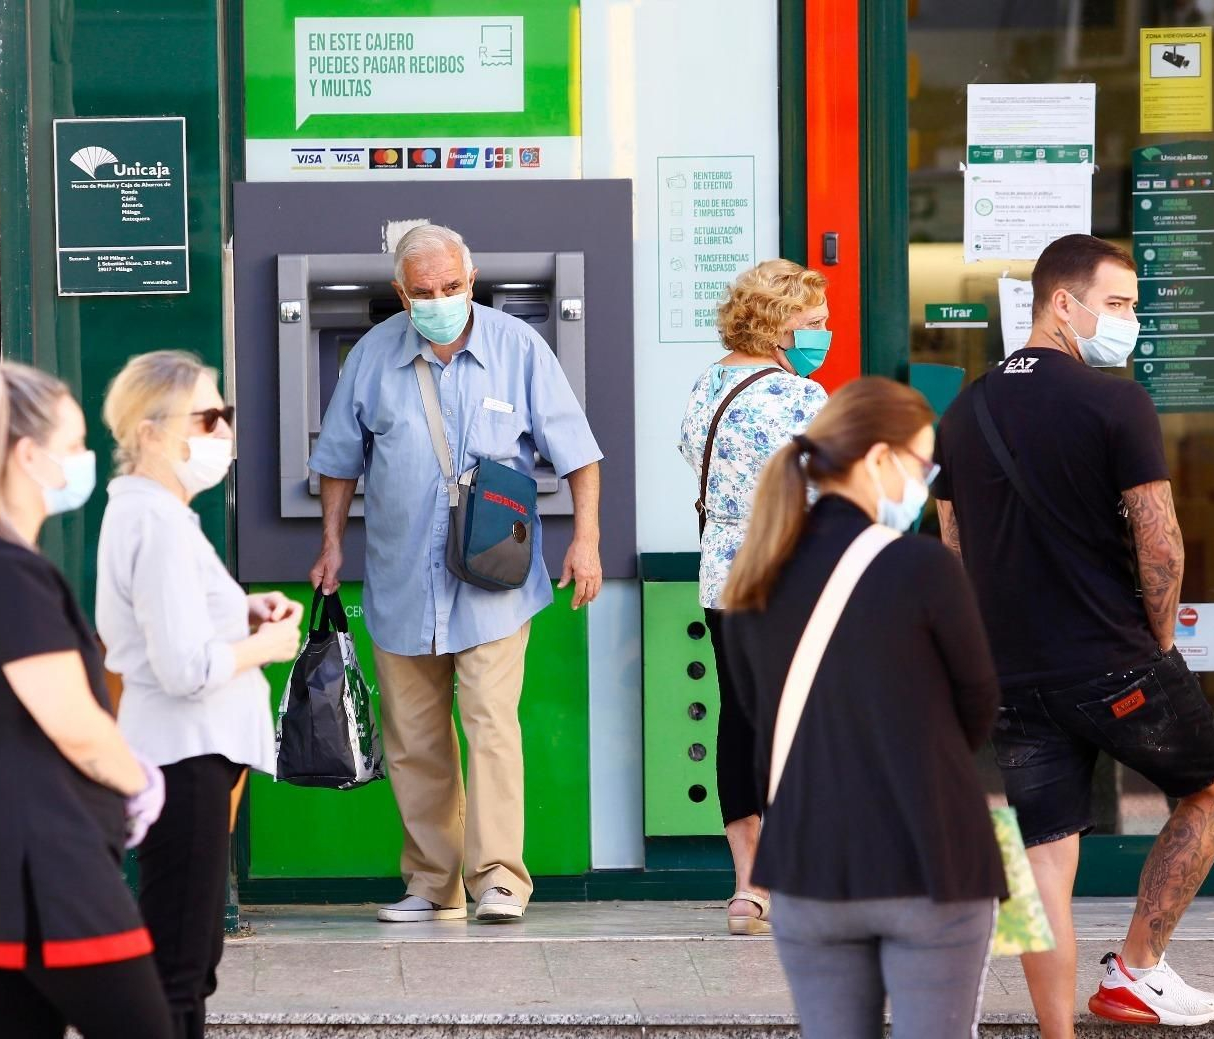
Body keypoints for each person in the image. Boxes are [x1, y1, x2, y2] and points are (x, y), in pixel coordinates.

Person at [934, 233, 1214, 1032]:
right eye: (1117, 303)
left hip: (1014, 675)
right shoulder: (1116, 403)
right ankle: (1137, 969)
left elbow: (954, 547)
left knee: (1041, 860)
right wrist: (1159, 641)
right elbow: (1163, 542)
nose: (1128, 320)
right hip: (1112, 661)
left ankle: (1057, 1031)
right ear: (1061, 303)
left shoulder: (964, 410)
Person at [308, 223, 604, 924]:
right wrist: (329, 544)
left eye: (451, 287)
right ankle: (432, 882)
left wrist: (585, 541)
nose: (439, 300)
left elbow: (579, 453)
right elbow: (338, 463)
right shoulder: (373, 357)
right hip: (401, 576)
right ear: (399, 293)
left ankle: (499, 879)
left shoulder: (517, 347)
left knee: (491, 723)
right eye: (424, 291)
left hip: (495, 578)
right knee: (413, 737)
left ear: (471, 283)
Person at [720, 377, 1007, 1039]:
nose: (926, 486)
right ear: (878, 459)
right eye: (922, 465)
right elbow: (979, 702)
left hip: (807, 866)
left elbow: (759, 717)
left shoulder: (751, 581)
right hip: (927, 857)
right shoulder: (924, 566)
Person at [0, 358, 171, 1039]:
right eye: (74, 445)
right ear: (28, 455)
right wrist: (140, 780)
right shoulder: (3, 571)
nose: (86, 460)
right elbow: (73, 723)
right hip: (45, 861)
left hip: (7, 853)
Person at [96, 350, 303, 1039]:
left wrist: (242, 610)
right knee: (180, 965)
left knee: (187, 956)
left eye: (226, 415)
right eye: (208, 417)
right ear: (152, 432)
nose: (223, 431)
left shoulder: (159, 515)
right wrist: (265, 647)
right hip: (183, 758)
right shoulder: (155, 522)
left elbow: (175, 618)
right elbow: (183, 665)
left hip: (185, 756)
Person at [677, 258, 831, 935]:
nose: (824, 334)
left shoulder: (707, 387)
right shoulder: (802, 399)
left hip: (724, 580)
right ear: (776, 327)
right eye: (813, 323)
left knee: (740, 721)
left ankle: (748, 885)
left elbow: (695, 460)